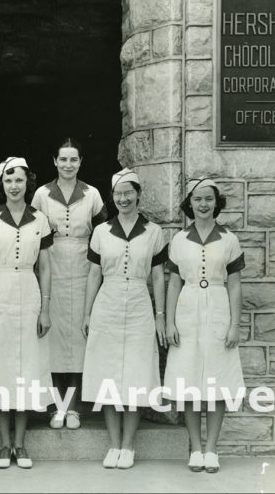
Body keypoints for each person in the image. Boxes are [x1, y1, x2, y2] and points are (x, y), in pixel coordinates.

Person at [81, 168, 168, 470]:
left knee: (136, 374)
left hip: (140, 305)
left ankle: (129, 445)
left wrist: (159, 315)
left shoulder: (154, 232)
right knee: (107, 374)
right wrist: (87, 312)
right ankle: (114, 443)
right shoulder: (102, 231)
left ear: (138, 195)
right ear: (112, 197)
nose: (123, 198)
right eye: (118, 194)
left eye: (128, 193)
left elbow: (158, 277)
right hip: (109, 302)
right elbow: (94, 274)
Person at [0, 157, 53, 469]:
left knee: (27, 368)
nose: (14, 186)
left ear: (27, 182)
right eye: (8, 181)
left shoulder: (40, 220)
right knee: (1, 368)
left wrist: (45, 308)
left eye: (19, 180)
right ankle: (4, 444)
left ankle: (21, 443)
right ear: (1, 184)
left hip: (29, 292)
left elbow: (45, 267)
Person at [164, 178, 245, 474]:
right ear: (190, 202)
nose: (203, 204)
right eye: (197, 199)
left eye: (208, 199)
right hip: (187, 307)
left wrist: (235, 324)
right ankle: (195, 449)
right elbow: (173, 281)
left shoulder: (229, 239)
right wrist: (170, 320)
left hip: (218, 306)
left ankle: (212, 449)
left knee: (216, 381)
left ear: (216, 202)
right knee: (187, 381)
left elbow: (235, 285)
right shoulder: (179, 239)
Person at [32, 137, 106, 430]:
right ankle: (56, 407)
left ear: (80, 162)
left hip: (82, 265)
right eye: (63, 159)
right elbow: (34, 233)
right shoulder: (41, 194)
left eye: (73, 159)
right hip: (50, 263)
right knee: (52, 337)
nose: (68, 165)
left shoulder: (92, 194)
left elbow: (103, 235)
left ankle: (73, 408)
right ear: (54, 161)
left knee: (76, 337)